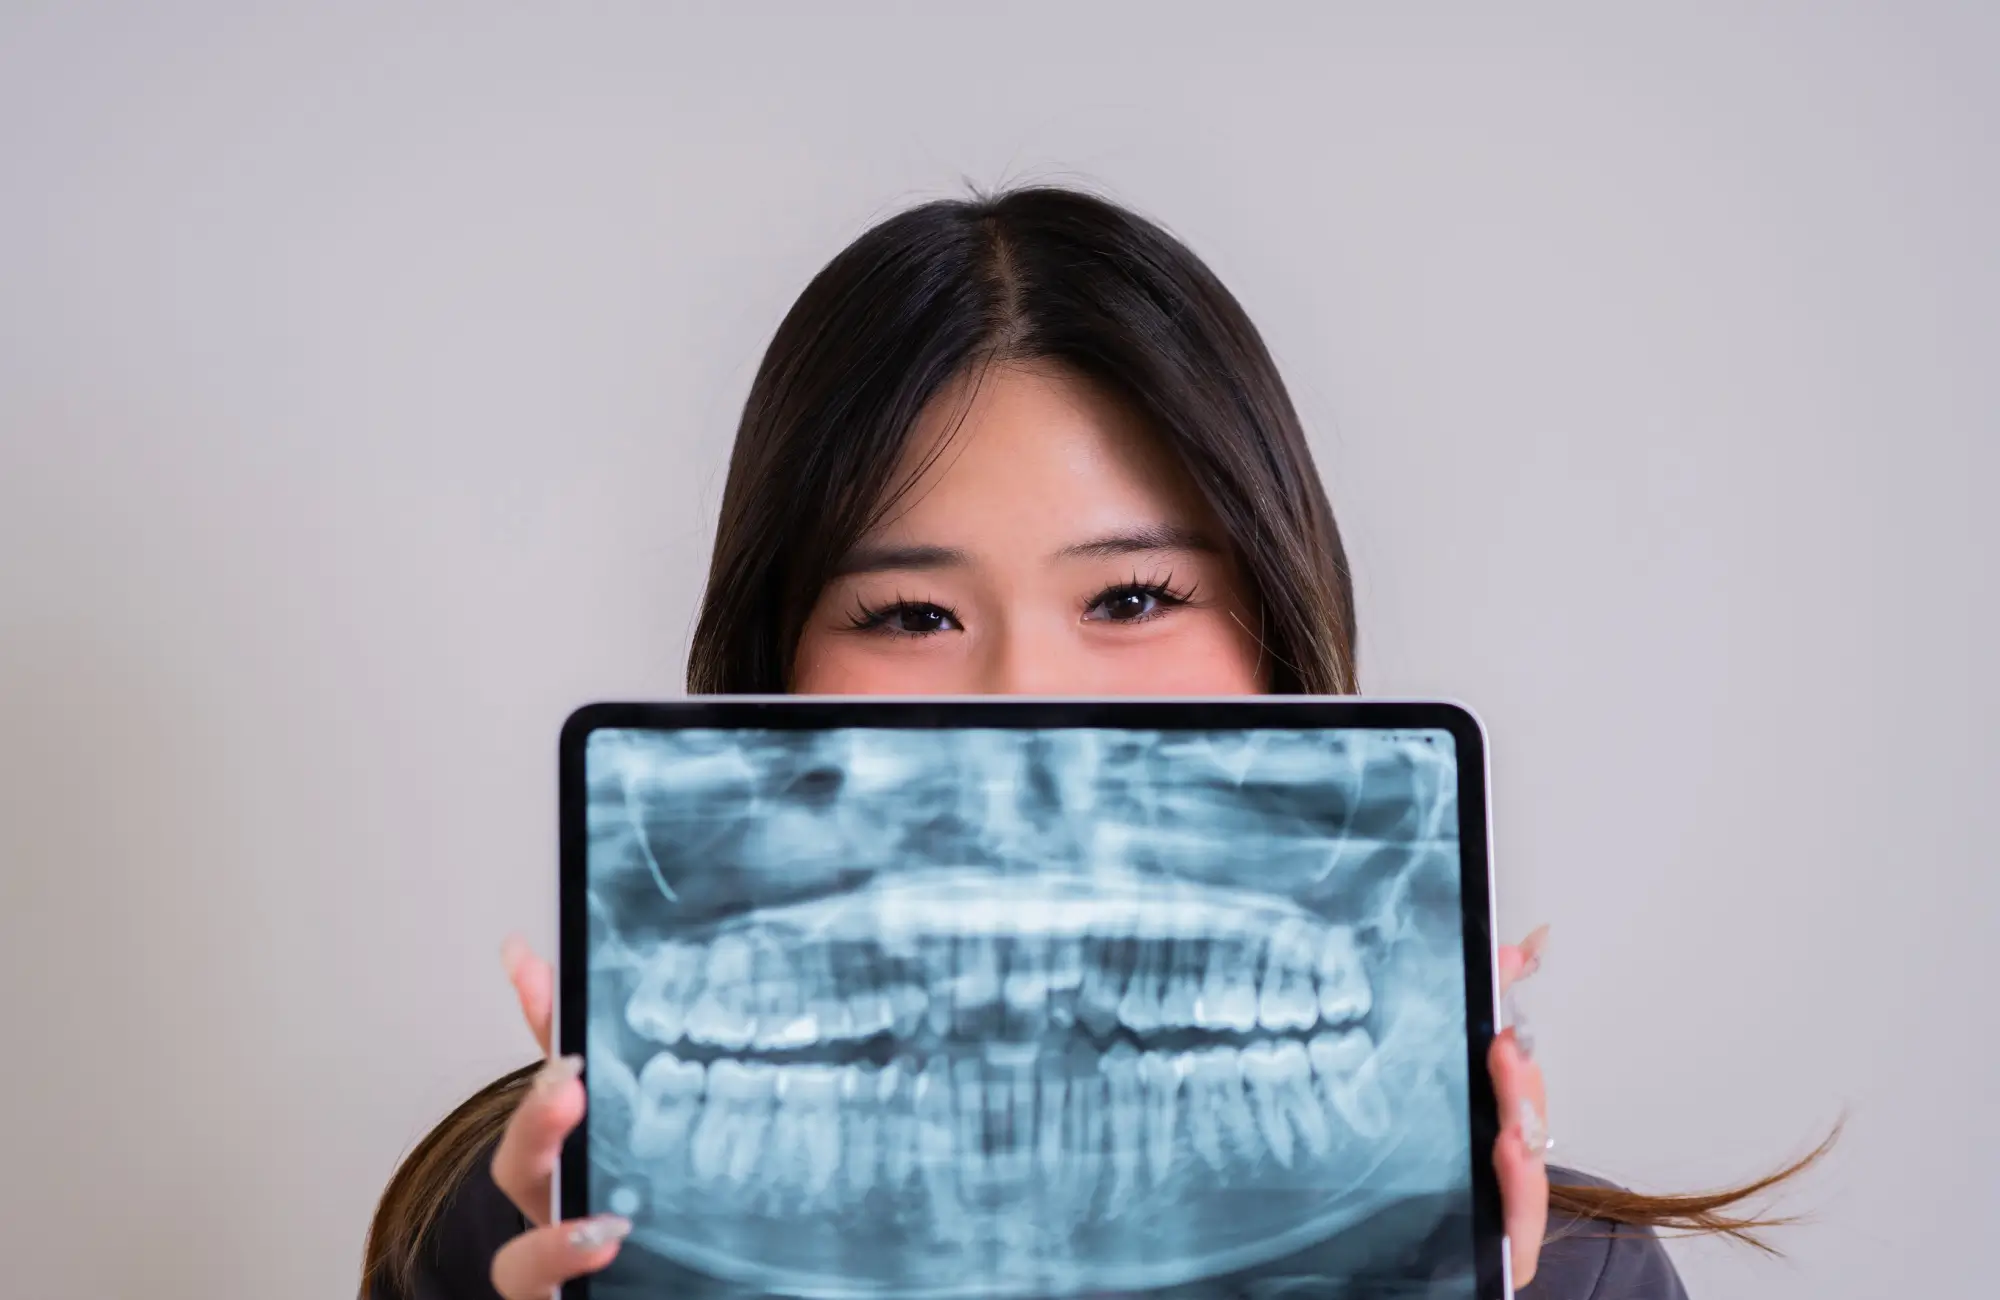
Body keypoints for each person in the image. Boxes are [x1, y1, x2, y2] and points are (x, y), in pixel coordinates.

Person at [361, 186, 1827, 1299]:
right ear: (771, 669)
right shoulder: (535, 1234)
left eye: (1132, 596)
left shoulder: (1562, 1275)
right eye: (911, 613)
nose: (1026, 698)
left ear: (1278, 639)